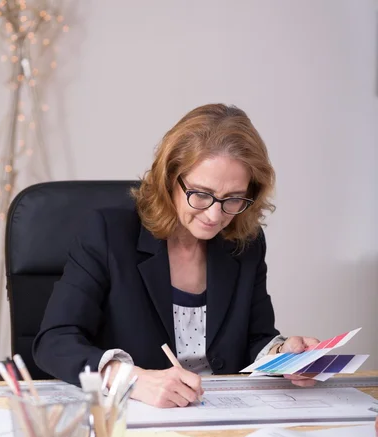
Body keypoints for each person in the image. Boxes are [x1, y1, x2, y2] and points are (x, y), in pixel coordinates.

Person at [33, 103, 320, 408]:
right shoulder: (108, 233)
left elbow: (254, 339)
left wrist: (283, 356)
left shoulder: (246, 242)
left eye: (233, 199)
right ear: (170, 178)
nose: (214, 215)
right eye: (201, 194)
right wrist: (130, 379)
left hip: (222, 419)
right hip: (136, 418)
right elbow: (54, 341)